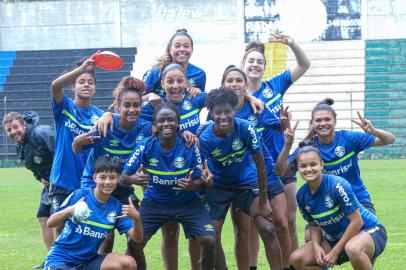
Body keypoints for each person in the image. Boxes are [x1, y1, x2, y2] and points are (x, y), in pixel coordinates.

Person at [139, 63, 263, 269]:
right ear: (163, 84)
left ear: (187, 83)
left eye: (180, 81)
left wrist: (249, 97)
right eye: (170, 81)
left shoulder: (195, 99)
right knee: (169, 234)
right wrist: (146, 97)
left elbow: (225, 99)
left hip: (196, 176)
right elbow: (127, 110)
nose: (175, 85)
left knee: (197, 236)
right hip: (165, 178)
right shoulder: (154, 106)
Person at [121, 104, 216, 270]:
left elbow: (202, 182)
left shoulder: (190, 145)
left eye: (171, 120)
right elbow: (123, 177)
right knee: (134, 242)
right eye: (161, 120)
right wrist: (133, 178)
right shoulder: (146, 145)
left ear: (178, 123)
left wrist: (193, 185)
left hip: (188, 203)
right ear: (155, 124)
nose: (166, 124)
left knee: (209, 240)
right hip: (155, 202)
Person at [241, 35, 310, 262]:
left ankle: (293, 264)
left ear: (264, 67)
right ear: (243, 65)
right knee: (254, 225)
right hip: (251, 169)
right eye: (251, 61)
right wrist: (247, 95)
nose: (255, 65)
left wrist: (291, 43)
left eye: (259, 62)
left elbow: (304, 65)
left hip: (282, 163)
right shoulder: (236, 96)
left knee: (287, 221)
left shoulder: (275, 85)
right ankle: (252, 266)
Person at [199, 88, 282, 270]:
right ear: (211, 114)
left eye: (227, 111)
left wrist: (263, 200)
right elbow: (206, 177)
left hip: (245, 183)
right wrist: (208, 181)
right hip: (218, 187)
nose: (223, 116)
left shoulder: (245, 128)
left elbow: (260, 165)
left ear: (234, 110)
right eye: (218, 112)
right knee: (211, 237)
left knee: (268, 230)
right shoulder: (205, 139)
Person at [72, 76, 151, 266]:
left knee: (136, 241)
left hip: (123, 190)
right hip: (97, 187)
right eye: (127, 105)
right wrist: (76, 142)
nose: (132, 110)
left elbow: (167, 122)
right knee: (104, 236)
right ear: (118, 106)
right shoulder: (105, 125)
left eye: (136, 105)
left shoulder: (146, 129)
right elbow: (78, 148)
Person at [220, 66, 291, 270]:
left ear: (245, 84)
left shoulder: (258, 107)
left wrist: (284, 124)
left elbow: (277, 126)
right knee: (242, 231)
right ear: (223, 84)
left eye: (238, 80)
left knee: (281, 223)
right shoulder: (219, 111)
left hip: (265, 171)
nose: (234, 84)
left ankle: (287, 266)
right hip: (240, 179)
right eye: (229, 80)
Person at [276, 98, 396, 214]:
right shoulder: (309, 148)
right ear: (312, 123)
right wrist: (287, 146)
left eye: (327, 119)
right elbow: (281, 171)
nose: (323, 124)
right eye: (318, 120)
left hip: (357, 198)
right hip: (327, 204)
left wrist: (374, 131)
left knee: (368, 231)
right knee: (309, 234)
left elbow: (389, 140)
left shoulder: (349, 139)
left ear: (335, 121)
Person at [289, 144, 387, 269]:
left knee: (353, 248)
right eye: (303, 166)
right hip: (337, 238)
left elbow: (357, 222)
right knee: (297, 259)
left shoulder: (337, 185)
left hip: (369, 230)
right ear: (298, 168)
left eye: (313, 164)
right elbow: (313, 225)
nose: (308, 169)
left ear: (321, 164)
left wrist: (335, 252)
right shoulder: (301, 195)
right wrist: (316, 247)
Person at [44, 156, 143, 270]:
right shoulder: (80, 195)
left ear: (118, 179)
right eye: (103, 177)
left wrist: (137, 219)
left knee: (128, 263)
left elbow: (137, 238)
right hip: (61, 260)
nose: (107, 182)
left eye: (112, 178)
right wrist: (70, 210)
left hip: (89, 261)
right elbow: (50, 223)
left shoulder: (117, 207)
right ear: (95, 177)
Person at [49, 55, 104, 223]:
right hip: (62, 180)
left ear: (95, 88)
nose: (86, 84)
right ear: (73, 87)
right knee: (59, 226)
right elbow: (55, 85)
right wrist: (82, 69)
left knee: (89, 228)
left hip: (88, 182)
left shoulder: (100, 116)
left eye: (90, 82)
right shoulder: (65, 107)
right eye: (81, 81)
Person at [3, 111, 55, 269]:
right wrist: (42, 179)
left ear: (24, 125)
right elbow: (34, 169)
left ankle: (63, 261)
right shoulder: (21, 146)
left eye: (15, 127)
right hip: (49, 186)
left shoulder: (41, 133)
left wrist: (58, 177)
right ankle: (51, 260)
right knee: (43, 217)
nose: (13, 132)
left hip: (64, 182)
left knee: (59, 220)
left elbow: (63, 152)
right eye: (9, 130)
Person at [143, 29, 206, 97]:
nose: (182, 49)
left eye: (186, 46)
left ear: (192, 49)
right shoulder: (155, 73)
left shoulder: (199, 74)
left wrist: (198, 93)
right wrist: (149, 96)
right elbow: (139, 99)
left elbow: (201, 103)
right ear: (170, 49)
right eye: (177, 46)